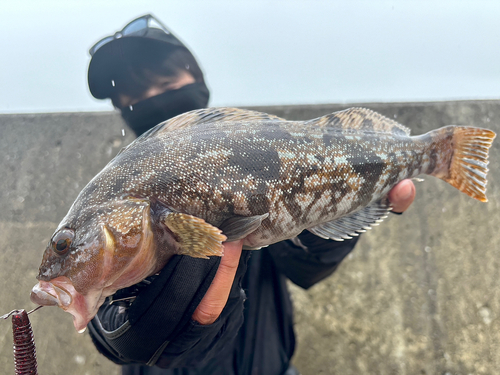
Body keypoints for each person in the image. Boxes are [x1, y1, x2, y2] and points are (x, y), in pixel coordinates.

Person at [86, 14, 416, 375]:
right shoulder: (110, 196)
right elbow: (101, 303)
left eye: (166, 82)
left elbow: (306, 265)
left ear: (196, 79)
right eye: (134, 95)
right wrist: (117, 334)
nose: (152, 99)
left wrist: (346, 202)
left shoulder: (258, 161)